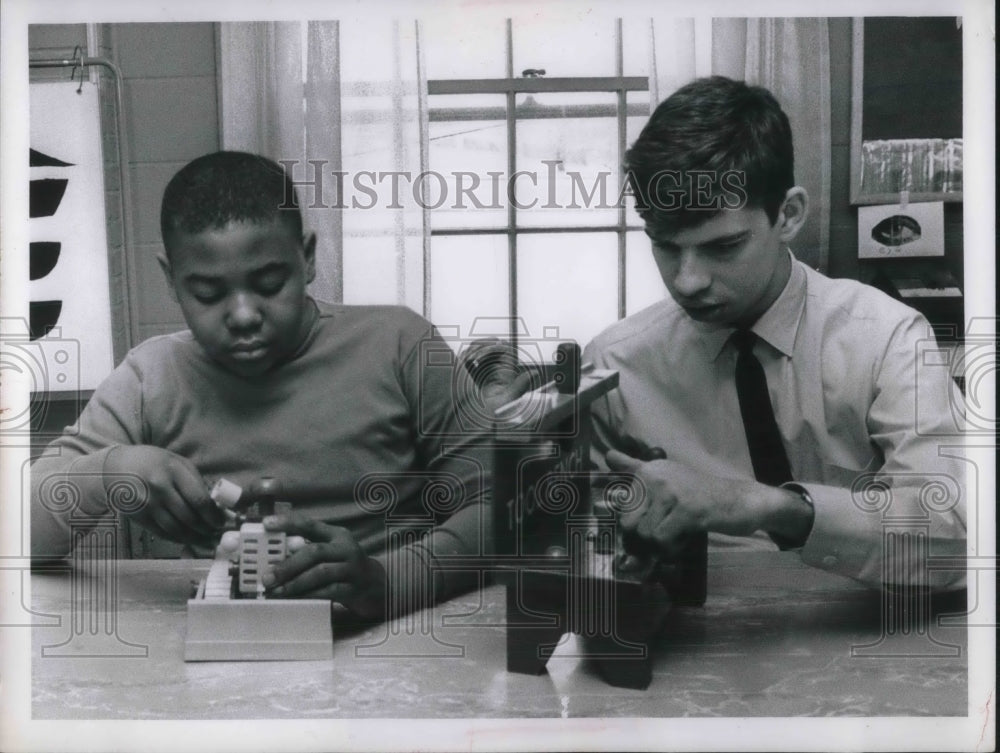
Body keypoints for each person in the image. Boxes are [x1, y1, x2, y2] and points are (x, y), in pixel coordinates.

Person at [30, 151, 492, 619]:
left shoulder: (401, 345)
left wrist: (386, 581)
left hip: (396, 638)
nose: (245, 316)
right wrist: (108, 472)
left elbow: (504, 510)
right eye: (208, 294)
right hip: (233, 646)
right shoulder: (150, 377)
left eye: (271, 284)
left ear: (307, 258)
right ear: (171, 280)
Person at [585, 76, 966, 590]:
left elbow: (961, 538)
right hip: (688, 641)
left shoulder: (889, 339)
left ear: (788, 215)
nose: (687, 280)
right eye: (666, 246)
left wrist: (765, 505)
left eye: (723, 247)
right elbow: (589, 547)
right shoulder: (613, 368)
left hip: (865, 634)